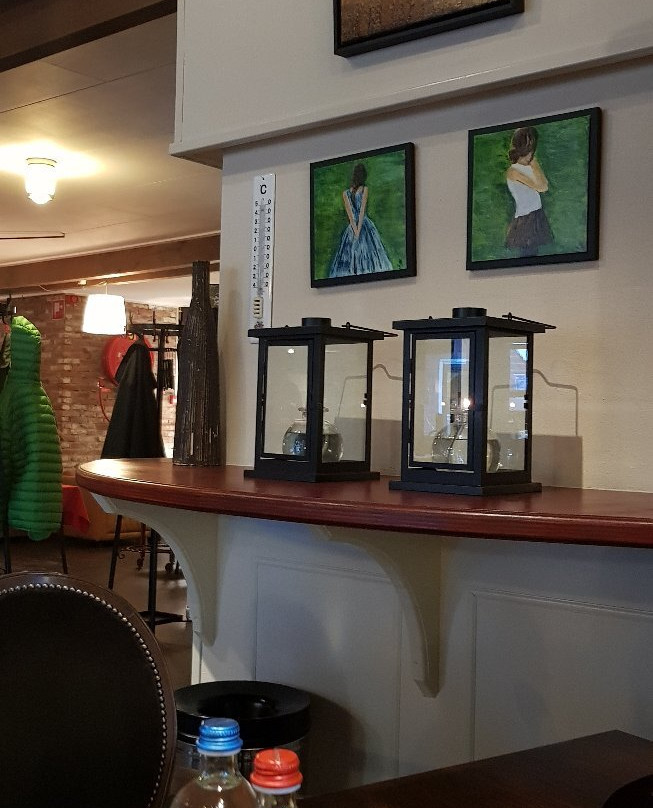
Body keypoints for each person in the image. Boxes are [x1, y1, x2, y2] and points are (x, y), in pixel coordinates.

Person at [329, 162, 393, 277]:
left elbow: (350, 215)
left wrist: (354, 229)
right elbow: (362, 211)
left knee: (351, 253)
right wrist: (358, 230)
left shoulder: (346, 193)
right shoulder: (364, 189)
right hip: (364, 224)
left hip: (352, 227)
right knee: (370, 252)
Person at [505, 126, 553, 257]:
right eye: (529, 146)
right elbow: (541, 186)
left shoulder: (532, 165)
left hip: (536, 214)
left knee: (534, 253)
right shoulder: (513, 171)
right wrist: (534, 165)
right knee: (528, 253)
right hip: (525, 218)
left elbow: (544, 185)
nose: (531, 152)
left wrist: (534, 165)